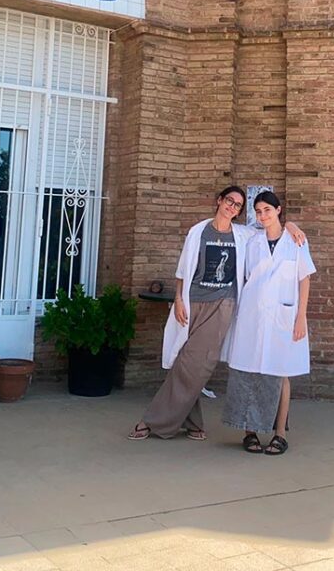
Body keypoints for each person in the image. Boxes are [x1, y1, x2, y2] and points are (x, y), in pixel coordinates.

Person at [128, 185, 303, 442]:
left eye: (238, 206)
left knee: (193, 364)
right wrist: (178, 299)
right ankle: (193, 423)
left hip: (222, 305)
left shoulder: (243, 234)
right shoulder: (198, 231)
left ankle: (154, 421)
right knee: (185, 362)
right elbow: (182, 270)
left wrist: (293, 225)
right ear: (219, 201)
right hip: (191, 304)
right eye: (229, 201)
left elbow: (271, 225)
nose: (232, 207)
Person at [222, 190, 315, 456]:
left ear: (278, 210)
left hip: (284, 317)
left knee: (280, 372)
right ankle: (249, 432)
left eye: (267, 210)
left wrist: (301, 316)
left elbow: (304, 279)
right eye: (258, 211)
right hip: (252, 316)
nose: (263, 216)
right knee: (249, 371)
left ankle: (280, 434)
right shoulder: (252, 241)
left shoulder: (296, 241)